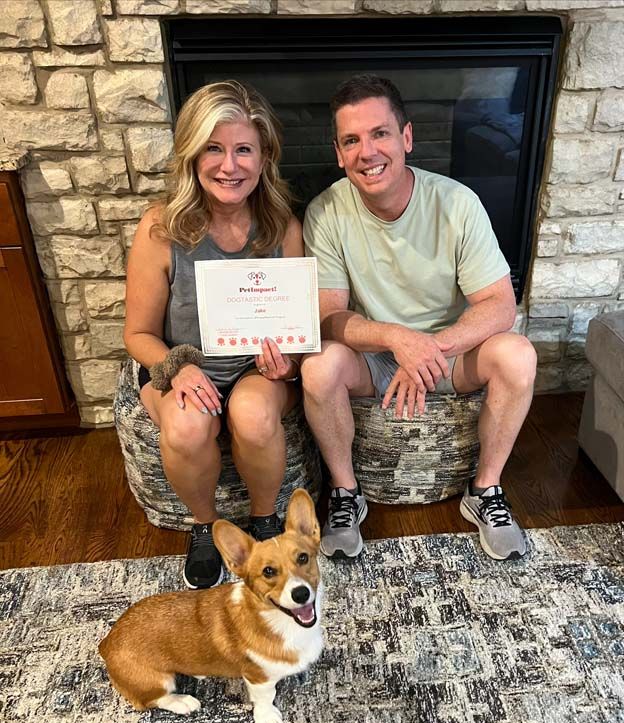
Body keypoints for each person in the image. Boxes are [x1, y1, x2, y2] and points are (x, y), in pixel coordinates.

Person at [301, 74, 536, 562]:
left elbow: (499, 304)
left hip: (452, 354)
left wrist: (433, 348)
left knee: (518, 354)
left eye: (380, 133)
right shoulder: (325, 213)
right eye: (352, 140)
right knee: (318, 365)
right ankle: (346, 494)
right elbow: (328, 318)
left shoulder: (457, 203)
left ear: (406, 138)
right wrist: (395, 339)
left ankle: (485, 490)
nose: (368, 152)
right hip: (376, 360)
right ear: (340, 153)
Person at [124, 81, 303, 590]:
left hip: (255, 370)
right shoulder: (161, 228)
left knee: (251, 413)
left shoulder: (282, 226)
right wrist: (177, 367)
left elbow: (295, 326)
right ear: (192, 153)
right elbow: (136, 333)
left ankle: (266, 523)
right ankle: (205, 528)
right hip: (179, 363)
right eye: (214, 148)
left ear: (264, 156)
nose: (230, 166)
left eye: (244, 149)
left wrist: (287, 362)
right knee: (185, 426)